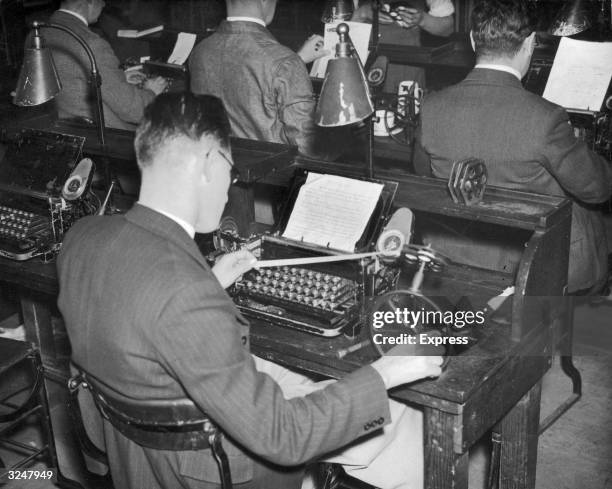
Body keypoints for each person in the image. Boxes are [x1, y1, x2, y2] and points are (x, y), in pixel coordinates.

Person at [56, 91, 443, 489]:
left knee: (301, 382)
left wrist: (208, 281)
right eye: (230, 170)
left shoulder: (83, 239)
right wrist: (383, 374)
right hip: (214, 470)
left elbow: (145, 313)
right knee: (403, 417)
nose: (229, 186)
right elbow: (284, 437)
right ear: (208, 162)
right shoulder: (189, 295)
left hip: (134, 462)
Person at [413, 0, 612, 294]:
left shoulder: (431, 107)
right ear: (530, 43)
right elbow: (597, 189)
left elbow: (423, 173)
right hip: (535, 265)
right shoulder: (546, 118)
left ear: (471, 40)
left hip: (457, 253)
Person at [189, 0, 330, 159]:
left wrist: (296, 60)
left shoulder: (200, 51)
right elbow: (307, 147)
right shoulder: (284, 62)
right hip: (274, 176)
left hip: (220, 170)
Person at [42, 0, 167, 130]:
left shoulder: (38, 33)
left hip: (62, 128)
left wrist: (119, 77)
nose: (103, 4)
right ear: (89, 2)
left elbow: (70, 75)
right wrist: (152, 91)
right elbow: (133, 110)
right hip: (106, 135)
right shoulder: (92, 43)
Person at [352, 0, 454, 91]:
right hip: (363, 68)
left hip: (408, 69)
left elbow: (447, 28)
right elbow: (338, 32)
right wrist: (362, 13)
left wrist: (422, 19)